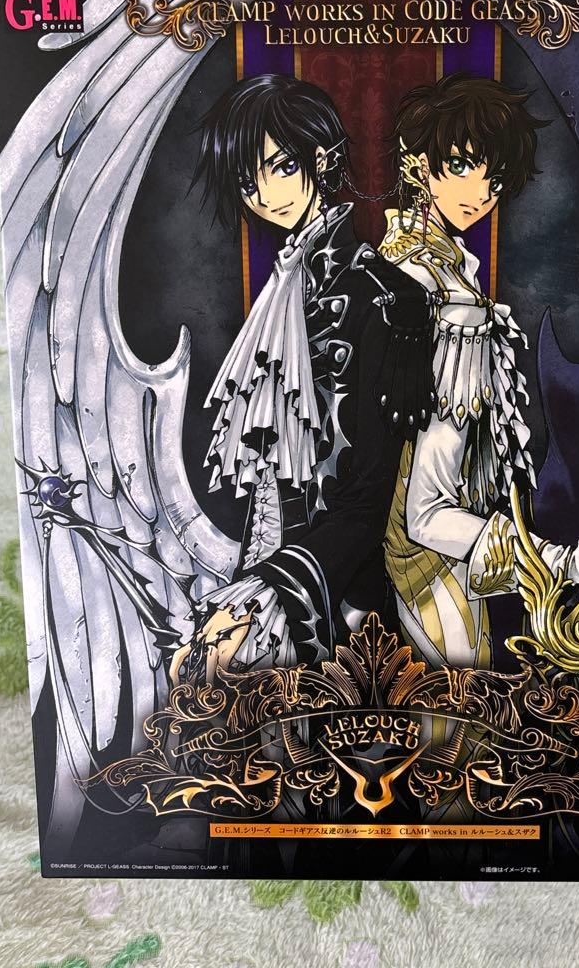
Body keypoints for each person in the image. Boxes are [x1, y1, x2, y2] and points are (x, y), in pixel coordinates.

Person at [381, 73, 579, 668]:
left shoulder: (418, 272)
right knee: (458, 716)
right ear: (417, 163)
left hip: (432, 569)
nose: (480, 192)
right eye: (461, 164)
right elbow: (426, 515)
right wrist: (567, 562)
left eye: (495, 179)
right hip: (425, 575)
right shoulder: (444, 301)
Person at [173, 74, 432, 683]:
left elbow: (371, 500)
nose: (265, 194)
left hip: (343, 595)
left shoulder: (387, 300)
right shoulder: (283, 290)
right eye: (248, 182)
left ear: (323, 157)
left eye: (282, 167)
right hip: (274, 567)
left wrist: (271, 589)